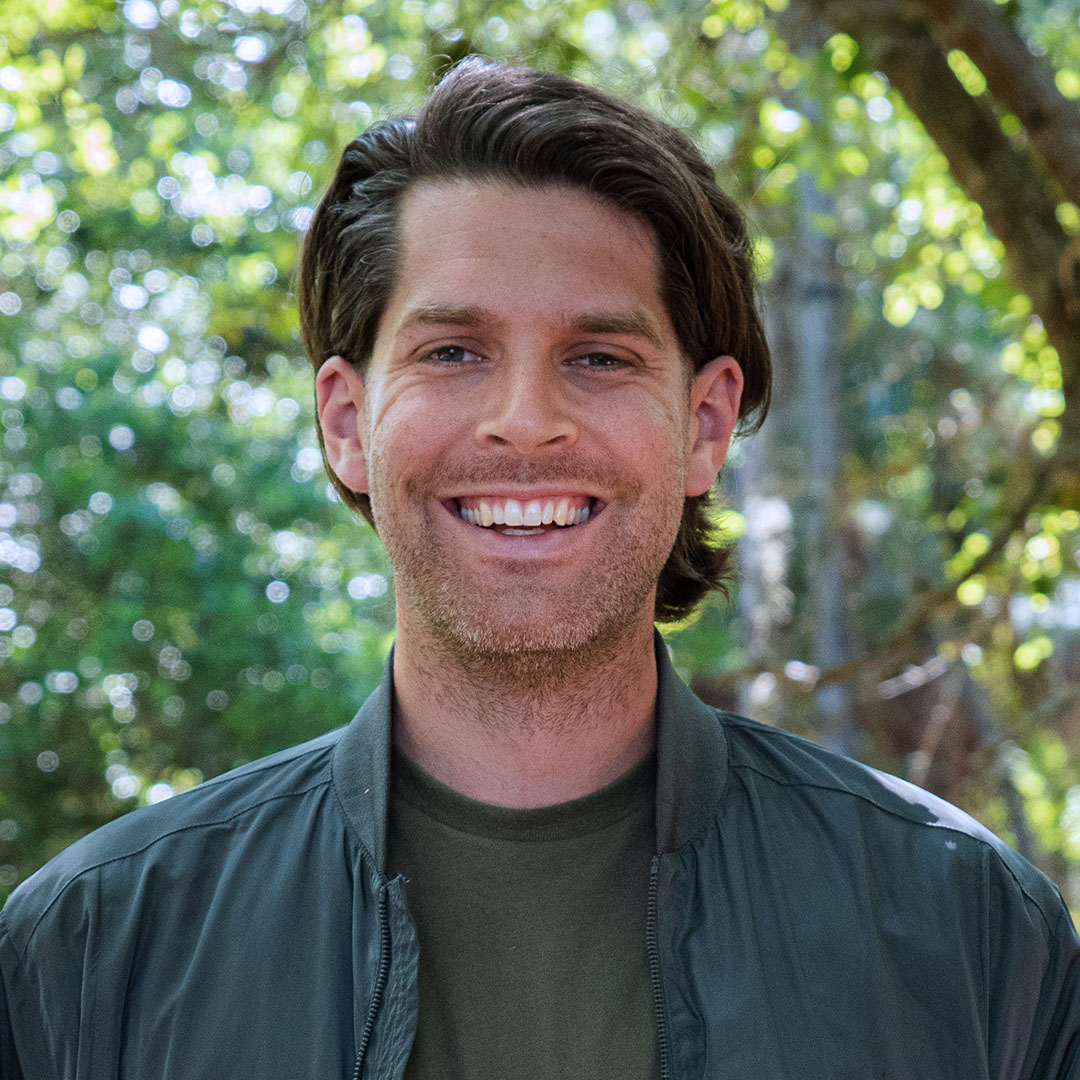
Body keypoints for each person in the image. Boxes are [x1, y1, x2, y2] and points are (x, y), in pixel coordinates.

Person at [1, 57, 1077, 1080]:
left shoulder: (969, 934)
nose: (526, 421)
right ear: (347, 423)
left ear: (704, 426)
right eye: (452, 352)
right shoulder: (91, 952)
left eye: (599, 357)